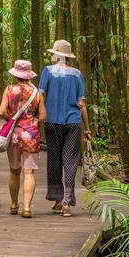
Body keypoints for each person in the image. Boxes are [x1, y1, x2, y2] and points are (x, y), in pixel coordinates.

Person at [38, 39, 91, 216]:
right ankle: (67, 202)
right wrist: (88, 128)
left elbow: (41, 96)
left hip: (52, 122)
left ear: (57, 55)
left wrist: (39, 117)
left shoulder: (47, 72)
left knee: (54, 159)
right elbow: (81, 104)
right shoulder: (77, 74)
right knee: (70, 161)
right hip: (73, 123)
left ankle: (58, 200)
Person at [0, 59, 46, 218]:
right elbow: (43, 116)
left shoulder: (9, 89)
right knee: (29, 171)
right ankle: (26, 208)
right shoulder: (37, 92)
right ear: (29, 75)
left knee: (14, 170)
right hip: (31, 134)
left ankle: (13, 204)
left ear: (16, 74)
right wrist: (32, 122)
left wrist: (11, 119)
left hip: (14, 134)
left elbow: (1, 111)